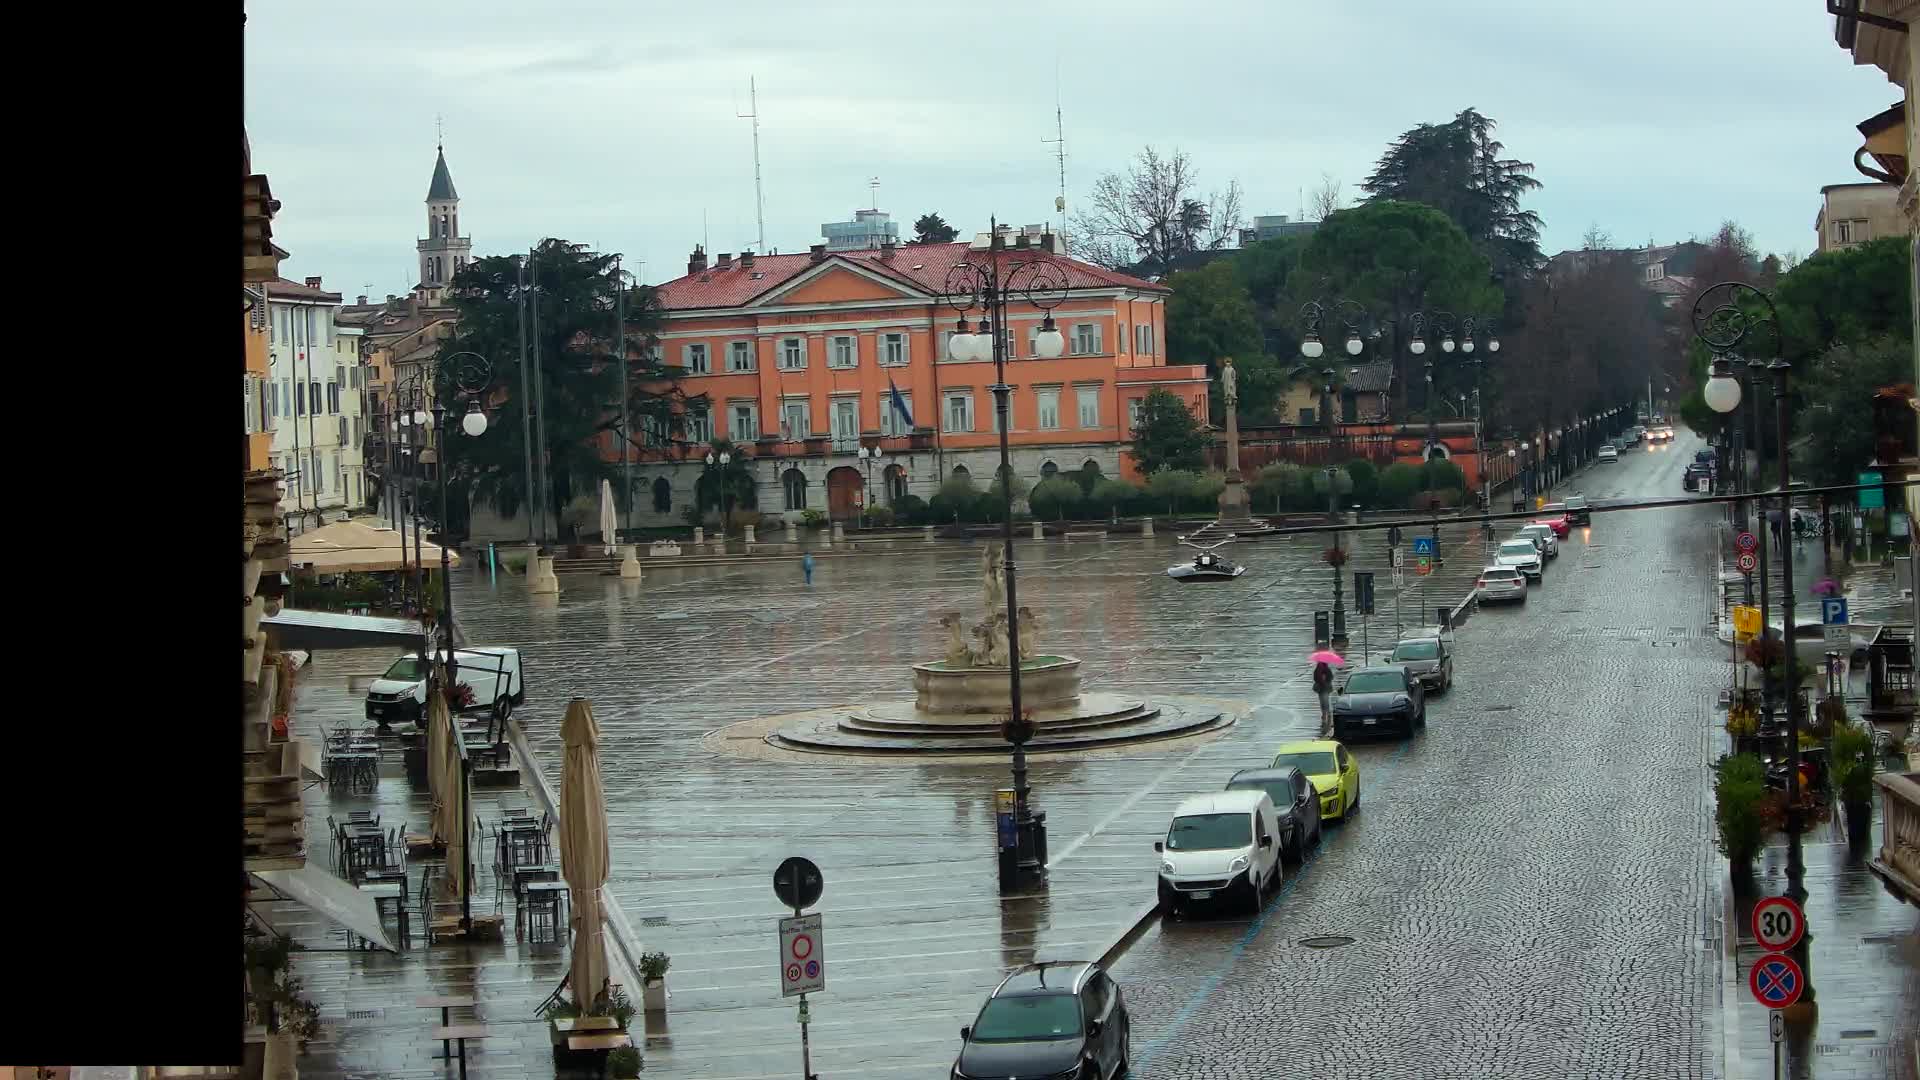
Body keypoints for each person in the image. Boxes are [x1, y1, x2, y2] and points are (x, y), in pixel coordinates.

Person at [1312, 661, 1334, 728]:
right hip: (1321, 689)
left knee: (1325, 701)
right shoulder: (1317, 670)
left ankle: (1327, 713)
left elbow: (1331, 677)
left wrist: (1326, 678)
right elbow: (1315, 678)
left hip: (1325, 688)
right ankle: (1325, 713)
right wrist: (1320, 679)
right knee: (1322, 701)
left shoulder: (1327, 670)